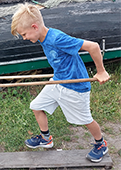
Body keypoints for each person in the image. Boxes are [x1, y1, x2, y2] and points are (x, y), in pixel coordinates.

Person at [11, 3, 110, 163]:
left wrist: (101, 71)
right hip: (58, 81)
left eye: (24, 34)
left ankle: (101, 144)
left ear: (35, 26)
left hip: (76, 87)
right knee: (36, 106)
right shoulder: (42, 37)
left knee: (85, 120)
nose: (24, 38)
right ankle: (46, 138)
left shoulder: (57, 38)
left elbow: (93, 47)